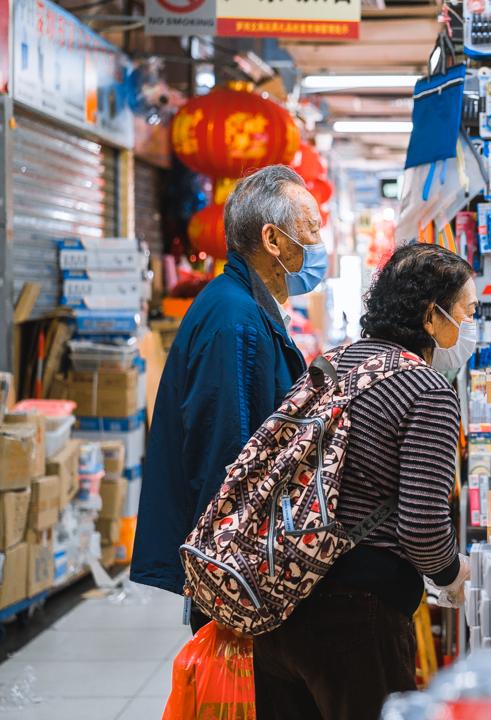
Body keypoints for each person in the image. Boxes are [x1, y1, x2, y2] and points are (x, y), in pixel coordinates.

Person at [252, 243, 475, 720]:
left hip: (279, 599)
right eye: (467, 312)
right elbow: (422, 528)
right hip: (356, 617)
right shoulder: (428, 391)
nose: (469, 325)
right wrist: (454, 576)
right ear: (432, 317)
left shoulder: (334, 364)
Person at [131, 166, 324, 633]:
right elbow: (225, 456)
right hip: (232, 575)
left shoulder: (245, 304)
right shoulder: (234, 320)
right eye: (312, 229)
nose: (320, 242)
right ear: (273, 240)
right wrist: (230, 581)